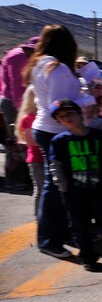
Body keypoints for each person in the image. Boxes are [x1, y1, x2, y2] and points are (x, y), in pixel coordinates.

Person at [25, 24, 83, 259]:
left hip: (47, 128)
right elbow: (59, 106)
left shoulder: (41, 64)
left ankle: (59, 232)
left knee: (59, 185)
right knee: (54, 185)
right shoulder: (56, 68)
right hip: (55, 130)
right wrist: (87, 98)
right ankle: (49, 239)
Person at [46, 99, 102, 271]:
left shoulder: (99, 136)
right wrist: (62, 186)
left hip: (98, 189)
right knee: (79, 225)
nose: (67, 118)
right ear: (59, 122)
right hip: (73, 192)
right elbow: (56, 165)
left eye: (70, 113)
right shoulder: (59, 141)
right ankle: (88, 256)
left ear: (79, 113)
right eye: (62, 117)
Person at [0, 36, 39, 140]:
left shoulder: (18, 54)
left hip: (11, 99)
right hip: (13, 102)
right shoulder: (19, 56)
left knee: (17, 139)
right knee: (18, 139)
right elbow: (17, 84)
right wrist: (21, 108)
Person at [15, 86, 42, 215]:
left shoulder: (42, 115)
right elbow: (31, 142)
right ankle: (38, 217)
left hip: (42, 158)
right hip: (36, 159)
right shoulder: (28, 118)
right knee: (40, 189)